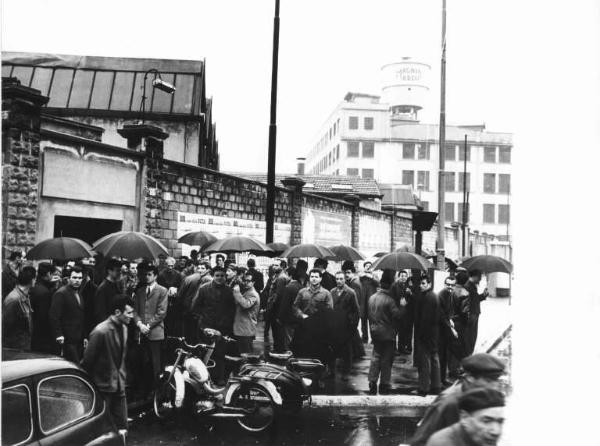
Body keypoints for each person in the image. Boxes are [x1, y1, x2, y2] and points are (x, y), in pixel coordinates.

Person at [409, 353, 506, 446]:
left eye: (496, 380)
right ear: (470, 378)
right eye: (488, 381)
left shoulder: (481, 397)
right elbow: (421, 440)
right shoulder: (449, 402)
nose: (494, 386)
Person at [81, 295, 135, 432]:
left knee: (122, 427)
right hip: (103, 388)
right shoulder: (100, 331)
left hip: (119, 387)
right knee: (102, 430)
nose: (132, 316)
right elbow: (87, 362)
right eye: (129, 312)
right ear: (117, 312)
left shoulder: (124, 328)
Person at [190, 266, 236, 384]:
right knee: (204, 352)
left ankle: (219, 378)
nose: (220, 278)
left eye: (222, 276)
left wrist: (226, 324)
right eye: (217, 275)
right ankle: (203, 379)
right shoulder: (204, 289)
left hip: (222, 329)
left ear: (225, 277)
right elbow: (195, 307)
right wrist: (202, 321)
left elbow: (232, 310)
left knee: (220, 353)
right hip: (205, 327)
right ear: (213, 276)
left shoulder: (229, 291)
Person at [367, 269, 406, 395]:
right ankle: (384, 384)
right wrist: (403, 305)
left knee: (375, 357)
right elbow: (398, 315)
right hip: (388, 334)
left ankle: (372, 381)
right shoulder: (389, 300)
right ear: (390, 284)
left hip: (374, 332)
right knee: (386, 359)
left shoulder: (372, 298)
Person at [133, 265, 168, 397]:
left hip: (155, 332)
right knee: (142, 362)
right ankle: (144, 389)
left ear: (155, 276)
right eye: (145, 275)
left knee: (156, 363)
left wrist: (148, 326)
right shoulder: (140, 291)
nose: (146, 277)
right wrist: (139, 324)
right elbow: (135, 310)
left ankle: (157, 391)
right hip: (141, 332)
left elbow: (162, 312)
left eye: (149, 274)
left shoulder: (162, 291)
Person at [425, 387, 505, 446]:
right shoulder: (442, 443)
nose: (496, 431)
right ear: (464, 417)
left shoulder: (482, 439)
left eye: (500, 421)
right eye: (486, 421)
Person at [49, 266, 88, 363]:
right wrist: (59, 334)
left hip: (77, 339)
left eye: (79, 278)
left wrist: (84, 336)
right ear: (69, 278)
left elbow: (80, 316)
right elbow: (54, 316)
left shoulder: (79, 293)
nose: (77, 280)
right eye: (74, 277)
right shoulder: (61, 293)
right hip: (67, 339)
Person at [414, 275, 442, 396]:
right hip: (434, 333)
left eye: (424, 283)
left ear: (429, 284)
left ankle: (423, 388)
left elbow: (425, 319)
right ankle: (436, 386)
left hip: (426, 334)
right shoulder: (433, 296)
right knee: (434, 359)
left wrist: (421, 335)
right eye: (421, 283)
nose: (421, 285)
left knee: (425, 361)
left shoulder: (427, 298)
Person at [331, 271, 360, 374]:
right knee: (333, 349)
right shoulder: (332, 292)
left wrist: (352, 325)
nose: (339, 281)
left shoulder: (351, 292)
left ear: (345, 280)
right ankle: (332, 371)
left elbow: (356, 311)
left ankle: (346, 372)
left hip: (346, 325)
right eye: (337, 279)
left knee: (347, 351)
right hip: (335, 325)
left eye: (341, 279)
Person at [2, 266, 36, 350]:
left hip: (23, 345)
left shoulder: (24, 296)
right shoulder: (14, 299)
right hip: (15, 348)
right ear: (32, 280)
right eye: (35, 278)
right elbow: (5, 327)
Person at [276, 264, 307, 352]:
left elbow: (284, 305)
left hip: (289, 319)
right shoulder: (302, 288)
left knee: (289, 341)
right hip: (299, 318)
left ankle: (290, 358)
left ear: (290, 275)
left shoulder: (289, 287)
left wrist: (280, 318)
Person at [178, 261, 212, 342]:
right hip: (197, 311)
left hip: (199, 311)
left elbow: (181, 294)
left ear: (207, 270)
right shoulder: (203, 279)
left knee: (196, 334)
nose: (200, 270)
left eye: (202, 268)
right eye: (198, 268)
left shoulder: (206, 279)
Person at [438, 276, 462, 386]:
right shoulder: (441, 295)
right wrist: (451, 329)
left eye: (452, 285)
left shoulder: (452, 295)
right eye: (448, 284)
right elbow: (441, 316)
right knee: (441, 356)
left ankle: (442, 379)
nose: (450, 287)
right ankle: (439, 380)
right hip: (439, 330)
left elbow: (451, 312)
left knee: (446, 355)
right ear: (444, 284)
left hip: (446, 328)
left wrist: (451, 319)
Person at [30, 263, 59, 354]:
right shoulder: (45, 293)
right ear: (48, 274)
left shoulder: (35, 286)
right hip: (43, 338)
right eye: (53, 274)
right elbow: (44, 317)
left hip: (34, 334)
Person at [232, 272, 260, 354]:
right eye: (245, 280)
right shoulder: (247, 291)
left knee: (246, 356)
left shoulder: (253, 294)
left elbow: (245, 305)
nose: (246, 282)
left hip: (246, 331)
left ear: (253, 282)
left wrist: (237, 293)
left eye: (249, 281)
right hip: (242, 330)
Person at [342, 260, 366, 357]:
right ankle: (358, 352)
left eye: (348, 272)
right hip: (353, 312)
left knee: (352, 332)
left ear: (353, 272)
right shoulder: (352, 282)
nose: (346, 275)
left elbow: (356, 300)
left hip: (354, 312)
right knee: (353, 332)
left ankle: (357, 352)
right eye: (345, 272)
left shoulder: (354, 283)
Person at [464, 270, 489, 355]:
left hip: (475, 313)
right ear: (474, 276)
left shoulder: (472, 286)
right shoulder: (468, 286)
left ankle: (469, 353)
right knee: (470, 336)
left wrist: (483, 295)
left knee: (473, 336)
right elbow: (469, 302)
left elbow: (476, 299)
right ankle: (468, 354)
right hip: (471, 314)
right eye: (479, 277)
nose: (480, 279)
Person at [157, 257, 183, 336]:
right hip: (164, 299)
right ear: (165, 265)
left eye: (172, 266)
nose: (170, 268)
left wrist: (176, 290)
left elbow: (181, 286)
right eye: (169, 266)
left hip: (175, 299)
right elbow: (158, 286)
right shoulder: (161, 274)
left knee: (174, 319)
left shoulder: (178, 274)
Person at [390, 270, 414, 354]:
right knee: (395, 331)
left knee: (403, 331)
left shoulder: (407, 286)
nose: (403, 277)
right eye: (402, 276)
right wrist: (398, 302)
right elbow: (391, 298)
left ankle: (402, 347)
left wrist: (410, 293)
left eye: (405, 276)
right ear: (398, 276)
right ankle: (393, 349)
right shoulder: (394, 285)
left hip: (404, 312)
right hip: (396, 310)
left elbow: (410, 299)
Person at [94, 259, 123, 326]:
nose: (119, 273)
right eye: (117, 270)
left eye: (120, 270)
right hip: (108, 326)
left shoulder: (116, 285)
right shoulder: (103, 288)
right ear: (109, 271)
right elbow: (100, 313)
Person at [359, 262, 379, 342]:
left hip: (372, 301)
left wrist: (371, 277)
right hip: (363, 301)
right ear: (364, 267)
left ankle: (373, 338)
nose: (368, 267)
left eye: (369, 266)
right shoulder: (361, 276)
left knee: (372, 320)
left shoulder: (374, 276)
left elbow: (378, 283)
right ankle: (364, 337)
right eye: (366, 266)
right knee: (363, 319)